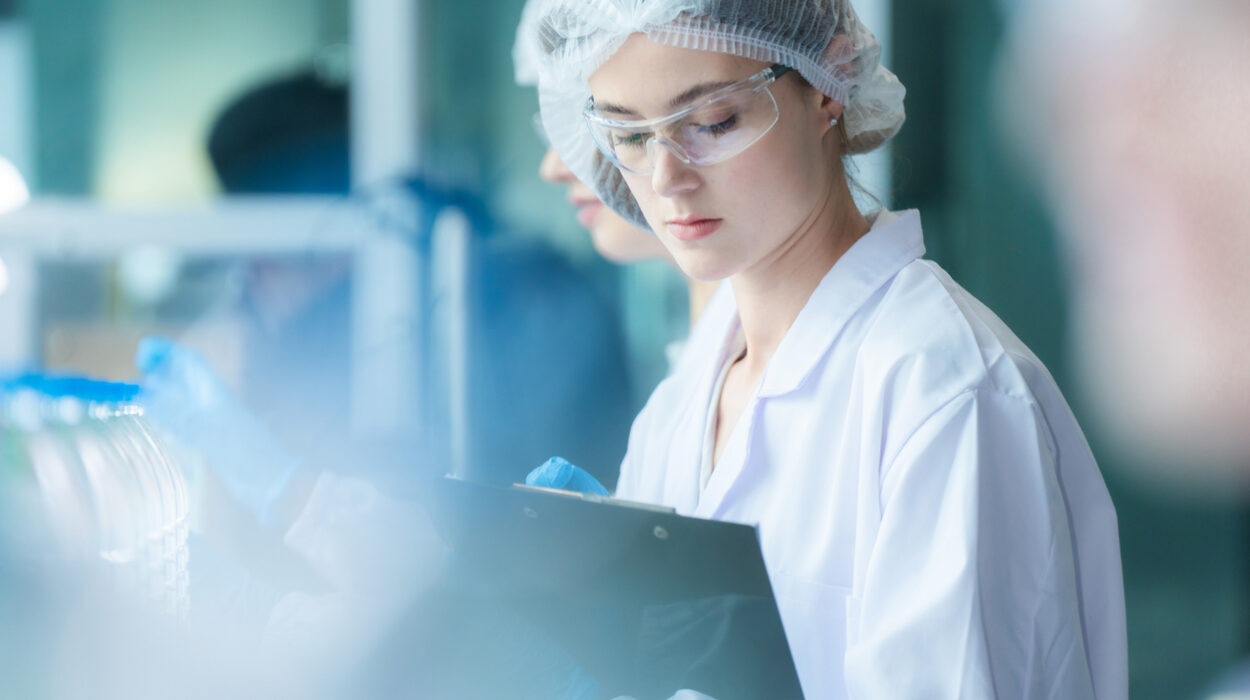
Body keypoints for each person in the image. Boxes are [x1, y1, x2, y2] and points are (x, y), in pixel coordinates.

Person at [527, 0, 1128, 697]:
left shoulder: (943, 390)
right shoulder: (685, 402)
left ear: (828, 84)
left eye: (714, 122)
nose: (667, 179)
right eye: (628, 135)